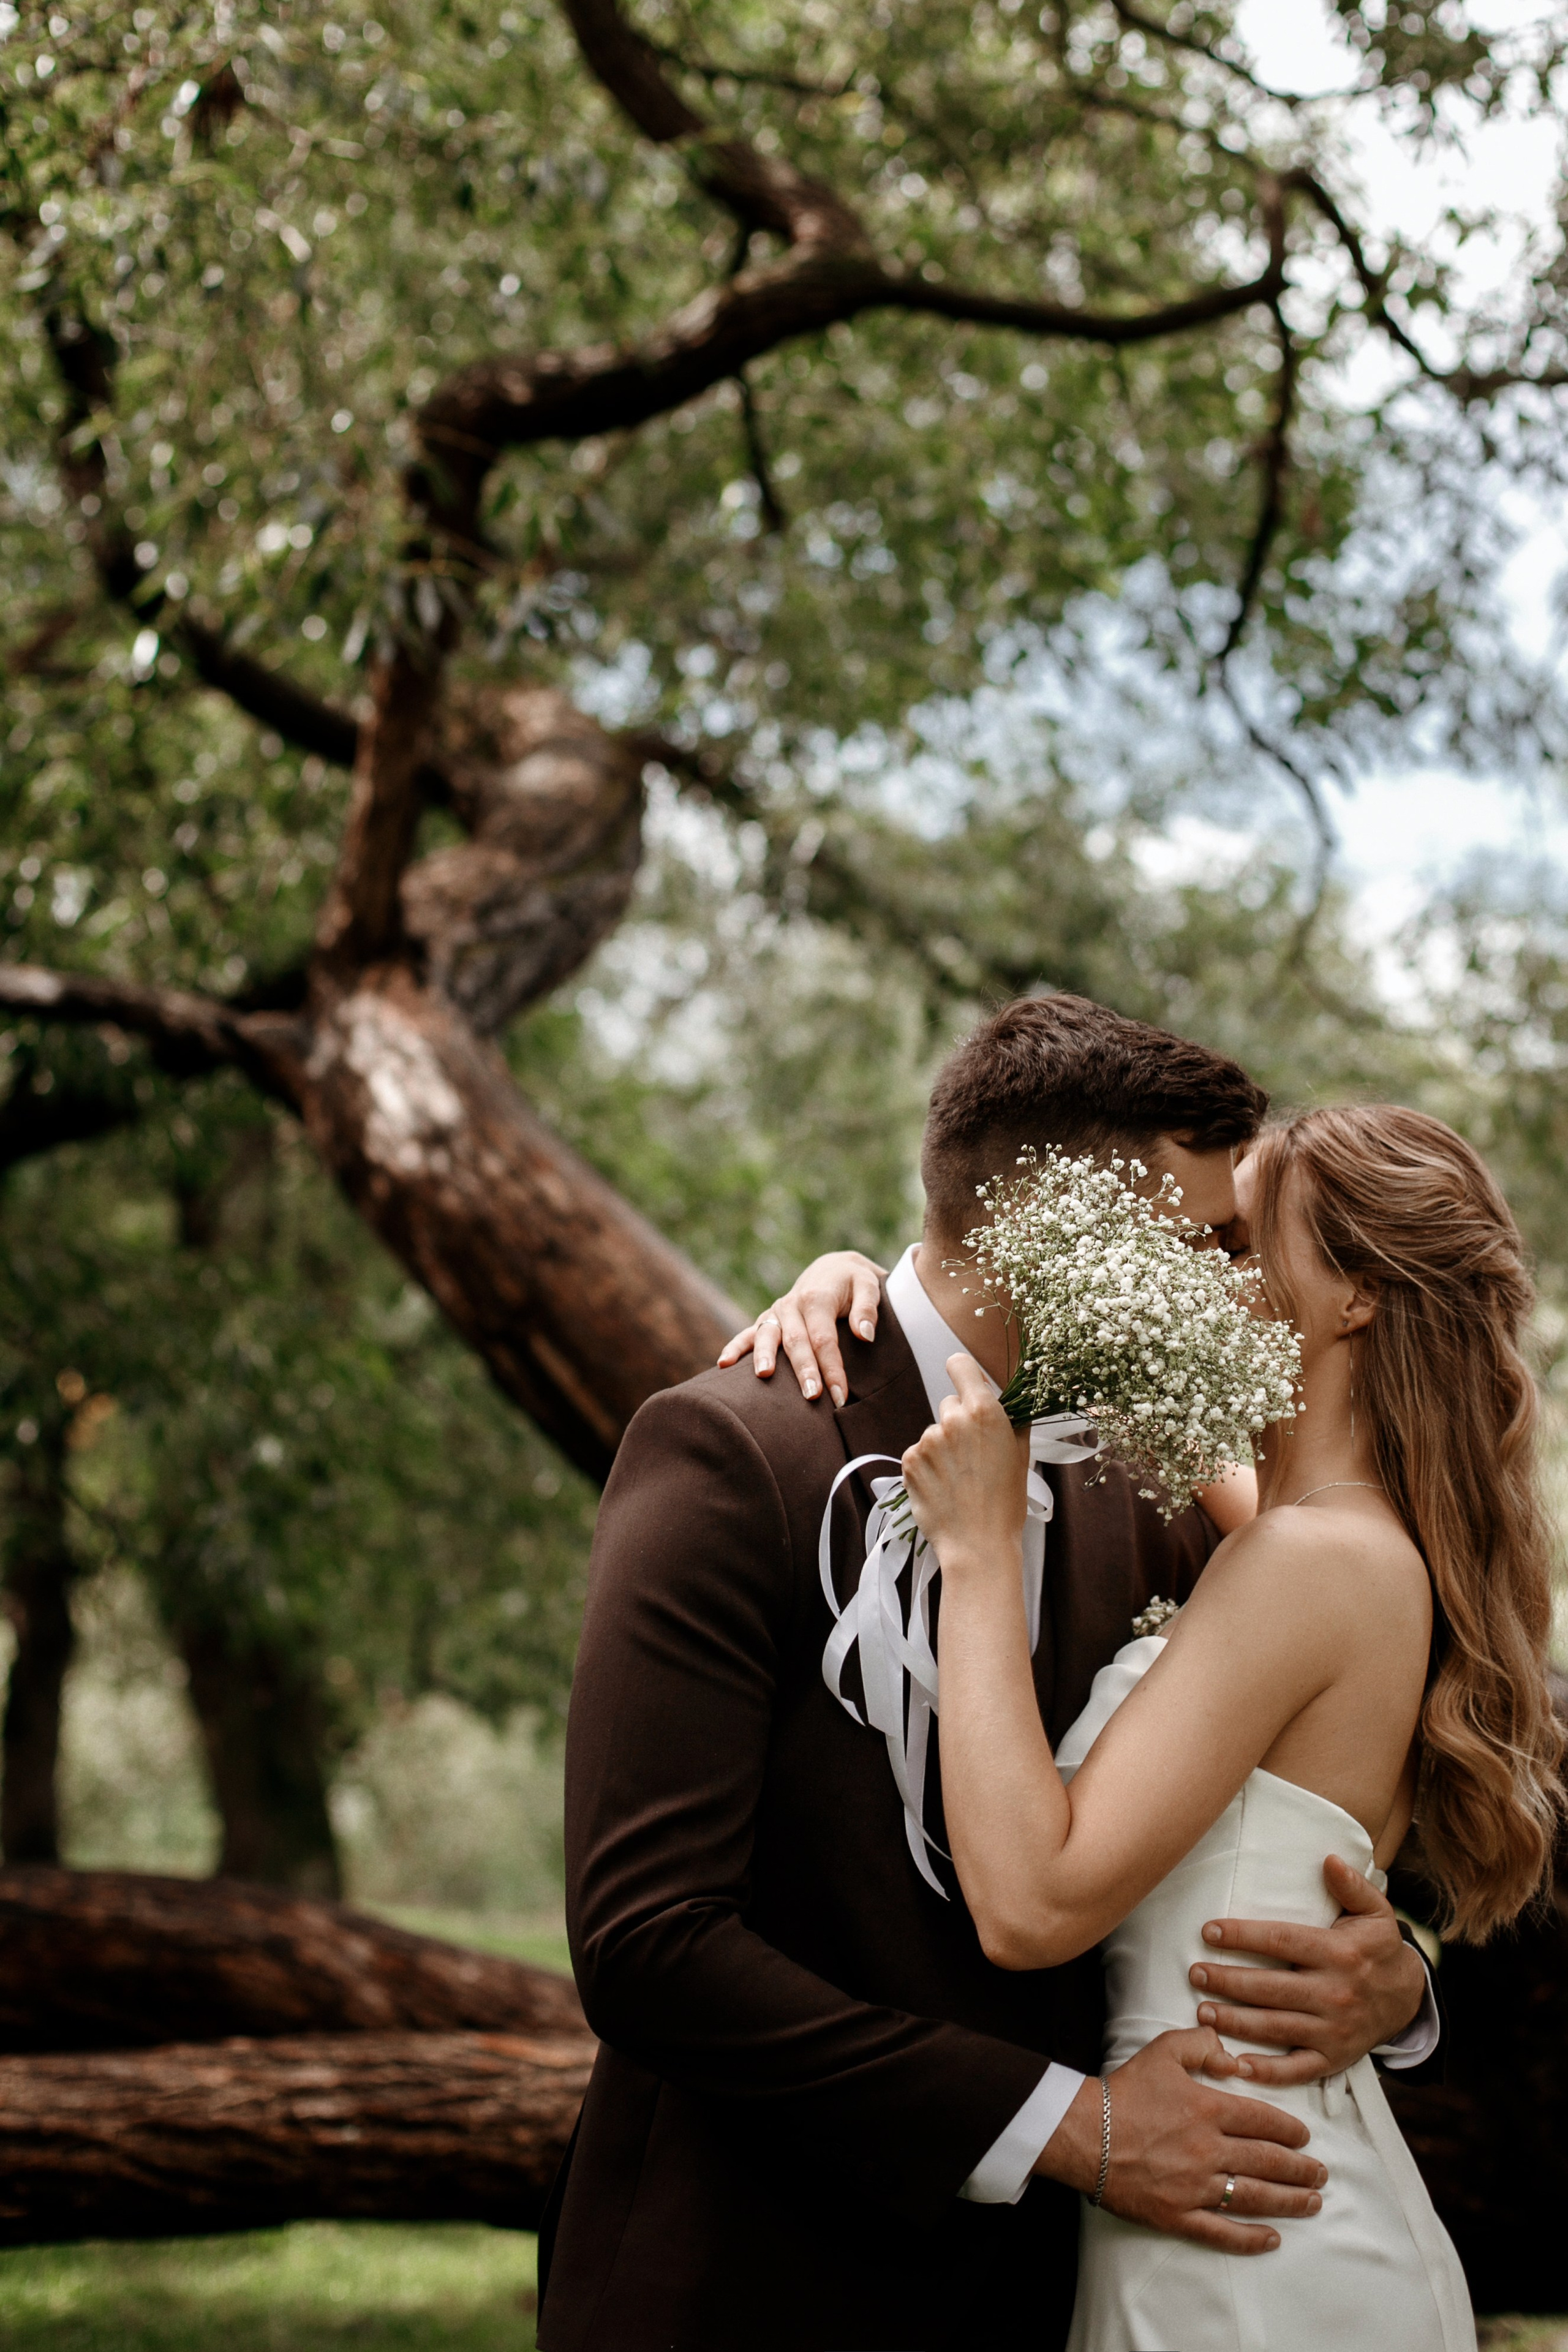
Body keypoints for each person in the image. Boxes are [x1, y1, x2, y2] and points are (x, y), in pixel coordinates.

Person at [537, 997, 1444, 2352]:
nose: (1228, 1289)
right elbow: (647, 1945)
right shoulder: (735, 1456)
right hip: (744, 2284)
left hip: (1054, 2294)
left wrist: (1400, 1973)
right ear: (1050, 1225)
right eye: (1203, 1242)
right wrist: (1071, 2129)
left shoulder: (1160, 1481)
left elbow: (1343, 1764)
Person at [737, 1094, 1564, 2348]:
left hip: (1249, 2242)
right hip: (1234, 2189)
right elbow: (985, 1314)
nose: (1191, 1271)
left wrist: (976, 1557)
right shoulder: (1300, 1531)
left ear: (1352, 1298)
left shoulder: (1307, 1561)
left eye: (1236, 1243)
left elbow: (1031, 1905)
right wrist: (852, 1282)